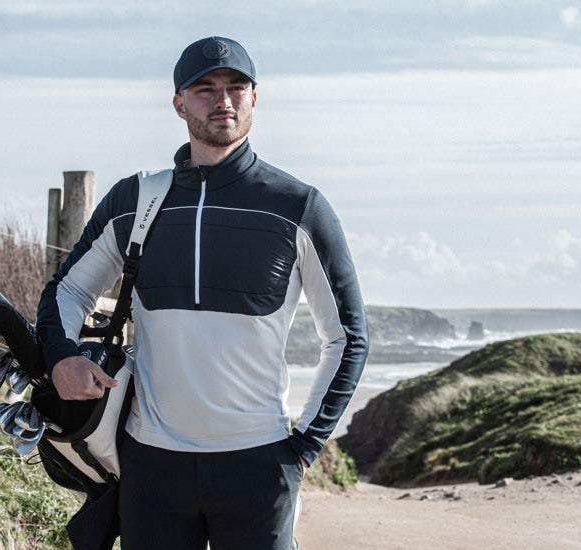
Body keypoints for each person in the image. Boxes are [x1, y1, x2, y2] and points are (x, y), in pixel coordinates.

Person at [36, 36, 369, 550]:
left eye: (237, 87)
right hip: (151, 464)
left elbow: (347, 337)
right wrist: (60, 359)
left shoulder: (298, 206)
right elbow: (68, 290)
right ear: (178, 103)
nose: (223, 100)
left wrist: (303, 447)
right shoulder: (135, 199)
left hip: (259, 463)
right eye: (204, 88)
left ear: (255, 98)